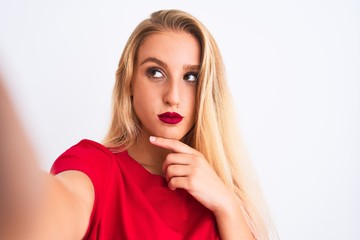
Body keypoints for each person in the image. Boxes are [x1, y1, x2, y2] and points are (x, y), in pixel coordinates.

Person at [0, 9, 277, 240]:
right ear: (130, 83)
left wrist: (226, 206)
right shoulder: (97, 168)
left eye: (191, 77)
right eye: (155, 72)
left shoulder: (223, 194)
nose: (173, 97)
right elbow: (44, 215)